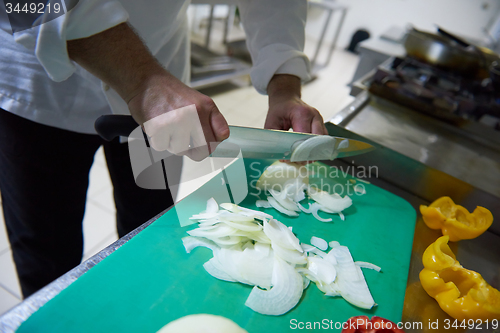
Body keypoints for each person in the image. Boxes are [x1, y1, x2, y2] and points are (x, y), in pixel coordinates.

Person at [0, 0, 327, 298]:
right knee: (48, 256)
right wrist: (142, 80)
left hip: (162, 78)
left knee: (149, 227)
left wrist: (284, 84)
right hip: (37, 88)